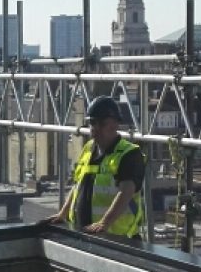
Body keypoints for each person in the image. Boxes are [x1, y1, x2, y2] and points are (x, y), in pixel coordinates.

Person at [44, 96, 145, 242]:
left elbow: (126, 191)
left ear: (115, 125)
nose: (95, 128)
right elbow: (78, 185)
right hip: (85, 234)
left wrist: (104, 222)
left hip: (118, 240)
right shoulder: (89, 148)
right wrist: (63, 213)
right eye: (92, 122)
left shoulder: (129, 154)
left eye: (102, 123)